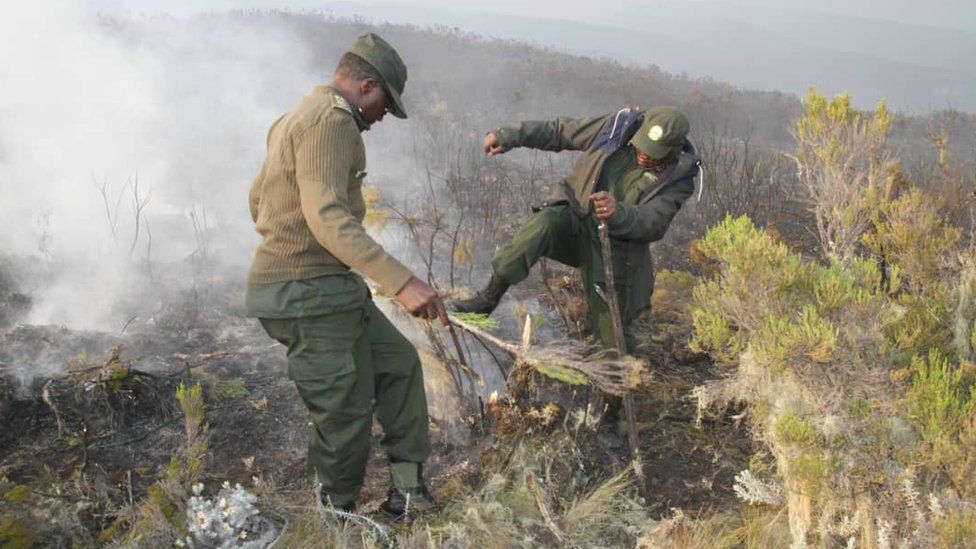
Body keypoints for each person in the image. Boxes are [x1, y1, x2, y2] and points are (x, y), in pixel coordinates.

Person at [244, 32, 445, 521]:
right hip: (307, 295)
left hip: (330, 288)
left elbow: (258, 200)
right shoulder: (332, 123)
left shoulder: (296, 117)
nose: (381, 120)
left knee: (399, 365)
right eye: (384, 107)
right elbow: (329, 217)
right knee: (345, 413)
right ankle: (337, 519)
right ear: (367, 85)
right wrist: (401, 281)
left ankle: (407, 493)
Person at [449, 106, 701, 351]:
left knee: (613, 338)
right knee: (542, 225)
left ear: (674, 149)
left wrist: (618, 212)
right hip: (574, 219)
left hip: (614, 249)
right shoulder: (617, 128)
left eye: (655, 151)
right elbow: (561, 131)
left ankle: (611, 374)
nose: (645, 154)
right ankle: (487, 299)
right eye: (643, 145)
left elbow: (653, 221)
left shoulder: (679, 177)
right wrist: (509, 136)